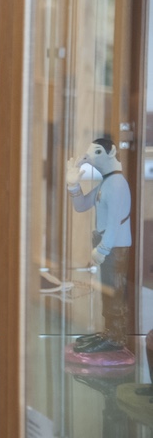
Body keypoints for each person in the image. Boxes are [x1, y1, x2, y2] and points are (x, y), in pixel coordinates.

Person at [66, 136, 133, 354]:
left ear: (111, 152)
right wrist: (73, 185)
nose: (88, 157)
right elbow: (82, 205)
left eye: (96, 153)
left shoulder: (117, 184)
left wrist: (103, 249)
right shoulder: (107, 183)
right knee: (108, 291)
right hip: (106, 244)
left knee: (115, 292)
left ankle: (116, 337)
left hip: (114, 247)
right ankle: (109, 331)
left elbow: (114, 223)